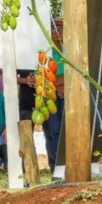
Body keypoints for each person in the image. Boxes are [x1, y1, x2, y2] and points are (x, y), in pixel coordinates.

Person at [44, 20, 65, 173]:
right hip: (50, 93)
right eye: (54, 28)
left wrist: (62, 83)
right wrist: (57, 83)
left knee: (67, 128)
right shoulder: (47, 50)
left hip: (66, 92)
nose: (58, 32)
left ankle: (66, 161)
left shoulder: (69, 48)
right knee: (54, 129)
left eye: (61, 28)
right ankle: (57, 165)